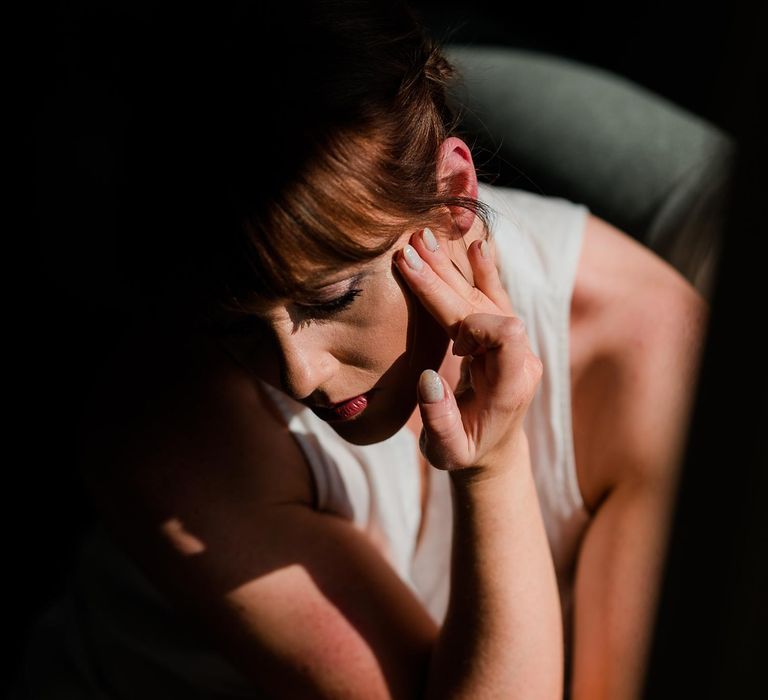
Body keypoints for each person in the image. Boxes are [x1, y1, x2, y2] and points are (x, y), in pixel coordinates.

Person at [19, 1, 710, 698]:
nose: (299, 373)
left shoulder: (648, 355)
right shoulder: (172, 431)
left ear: (453, 197)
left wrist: (495, 465)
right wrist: (491, 474)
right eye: (239, 324)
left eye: (331, 298)